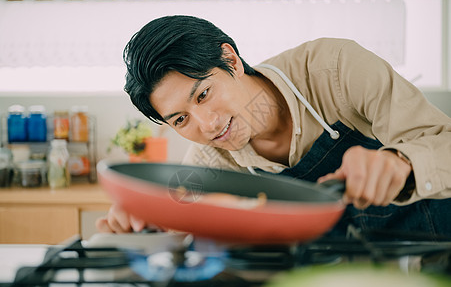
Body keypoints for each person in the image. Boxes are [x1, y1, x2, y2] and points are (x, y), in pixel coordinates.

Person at [96, 15, 451, 239]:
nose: (207, 125)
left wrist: (401, 162)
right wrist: (146, 222)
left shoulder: (336, 70)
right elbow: (180, 212)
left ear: (231, 60)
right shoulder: (208, 162)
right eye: (181, 119)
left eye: (203, 94)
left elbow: (442, 140)